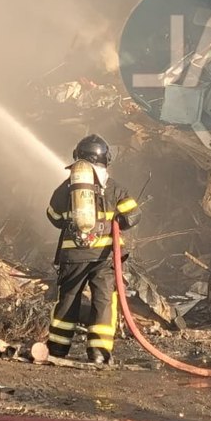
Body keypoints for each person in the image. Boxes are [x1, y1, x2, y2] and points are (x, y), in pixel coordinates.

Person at [44, 134, 140, 364]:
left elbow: (53, 216)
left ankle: (57, 348)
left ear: (77, 157)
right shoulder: (114, 188)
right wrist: (116, 220)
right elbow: (133, 215)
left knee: (68, 298)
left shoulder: (67, 188)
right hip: (104, 258)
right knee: (103, 301)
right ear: (106, 159)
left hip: (73, 256)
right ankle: (98, 352)